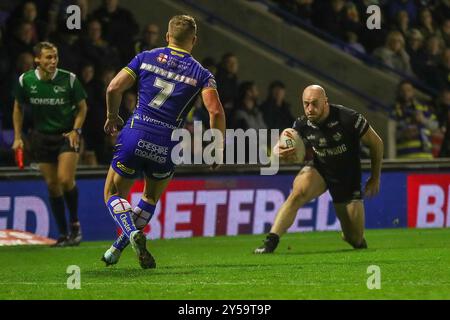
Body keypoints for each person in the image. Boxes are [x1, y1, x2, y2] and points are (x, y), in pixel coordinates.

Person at [101, 15, 226, 269]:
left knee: (112, 193)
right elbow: (215, 112)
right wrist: (216, 149)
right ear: (194, 40)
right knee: (149, 197)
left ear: (167, 37)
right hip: (168, 142)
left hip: (136, 132)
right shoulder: (202, 74)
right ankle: (117, 248)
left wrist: (112, 117)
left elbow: (114, 88)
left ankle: (129, 233)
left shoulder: (145, 57)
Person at [254, 85, 384, 253]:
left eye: (314, 103)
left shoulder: (349, 118)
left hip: (347, 179)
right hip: (320, 170)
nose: (309, 109)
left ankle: (350, 236)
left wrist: (375, 177)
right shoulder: (302, 123)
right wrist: (280, 150)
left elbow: (377, 144)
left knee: (356, 239)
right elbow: (288, 140)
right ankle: (270, 243)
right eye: (306, 104)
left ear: (326, 102)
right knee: (297, 195)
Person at [12, 41, 88, 246]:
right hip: (41, 138)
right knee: (52, 186)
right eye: (48, 57)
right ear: (37, 59)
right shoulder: (26, 81)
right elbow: (18, 108)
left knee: (64, 179)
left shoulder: (69, 79)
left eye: (55, 57)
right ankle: (63, 234)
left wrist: (76, 130)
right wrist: (18, 137)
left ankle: (75, 224)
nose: (53, 61)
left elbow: (82, 107)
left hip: (66, 136)